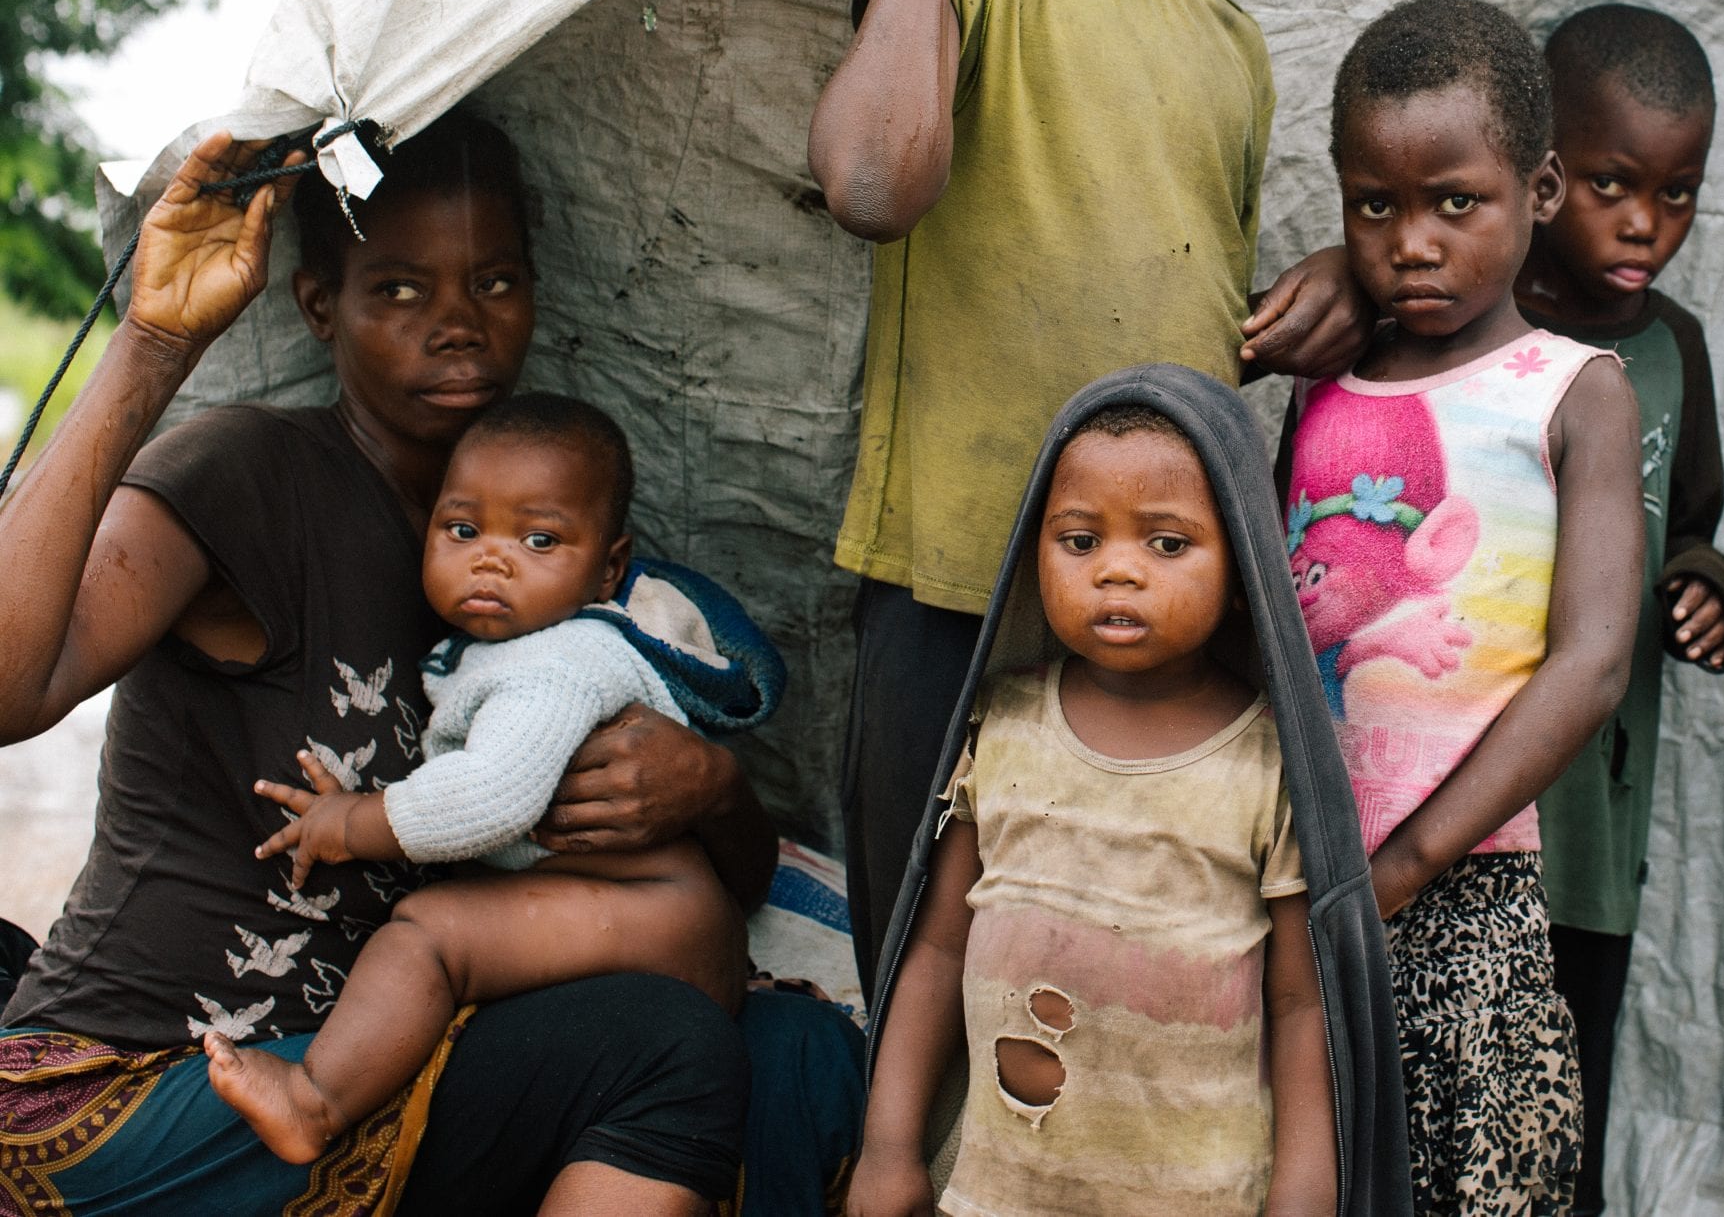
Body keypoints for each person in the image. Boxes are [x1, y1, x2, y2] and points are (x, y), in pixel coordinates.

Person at [0, 117, 863, 1216]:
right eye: (401, 291)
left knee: (790, 1046)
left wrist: (714, 790)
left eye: (495, 283)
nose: (457, 326)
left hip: (361, 1065)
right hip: (143, 1082)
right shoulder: (251, 475)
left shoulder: (540, 564)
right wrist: (156, 346)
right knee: (664, 1054)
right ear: (322, 308)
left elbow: (694, 906)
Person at [805, 0, 1374, 990]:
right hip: (955, 579)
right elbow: (874, 183)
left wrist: (1319, 304)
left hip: (1160, 610)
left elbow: (1181, 322)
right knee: (923, 987)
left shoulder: (1235, 46)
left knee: (1113, 985)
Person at [203, 394, 785, 1166]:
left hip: (654, 914)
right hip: (636, 907)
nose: (492, 557)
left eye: (539, 538)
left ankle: (313, 1101)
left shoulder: (561, 663)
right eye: (463, 529)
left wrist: (348, 822)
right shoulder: (501, 649)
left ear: (610, 565)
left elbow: (488, 798)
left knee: (426, 937)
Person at [1279, 0, 1645, 1214]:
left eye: (1454, 203)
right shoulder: (1321, 388)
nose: (1412, 243)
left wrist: (1415, 857)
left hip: (1469, 887)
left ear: (1538, 190)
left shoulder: (1573, 391)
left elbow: (1591, 662)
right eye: (1373, 207)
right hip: (1302, 879)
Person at [848, 397, 1338, 1217]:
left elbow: (1299, 1001)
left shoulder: (1265, 765)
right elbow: (935, 947)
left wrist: (1302, 1194)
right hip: (999, 1192)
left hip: (1195, 1197)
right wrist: (890, 1146)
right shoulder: (1002, 724)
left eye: (1168, 542)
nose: (1118, 568)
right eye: (1081, 539)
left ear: (1245, 562)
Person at [1514, 5, 1724, 1216]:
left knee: (1562, 1115)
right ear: (1542, 169)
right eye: (1613, 184)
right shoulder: (1467, 315)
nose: (1648, 223)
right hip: (1452, 786)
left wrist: (1706, 588)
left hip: (1592, 825)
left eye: (1679, 193)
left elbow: (1690, 522)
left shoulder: (1673, 351)